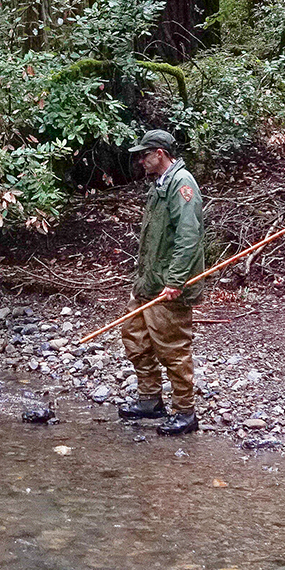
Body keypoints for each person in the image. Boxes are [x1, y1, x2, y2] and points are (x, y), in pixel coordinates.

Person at [117, 129, 205, 435]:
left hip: (170, 286)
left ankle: (185, 412)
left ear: (160, 154)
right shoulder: (160, 185)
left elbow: (189, 237)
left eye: (145, 154)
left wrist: (176, 280)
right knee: (134, 337)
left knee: (173, 347)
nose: (140, 161)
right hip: (148, 281)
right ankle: (150, 400)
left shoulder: (182, 184)